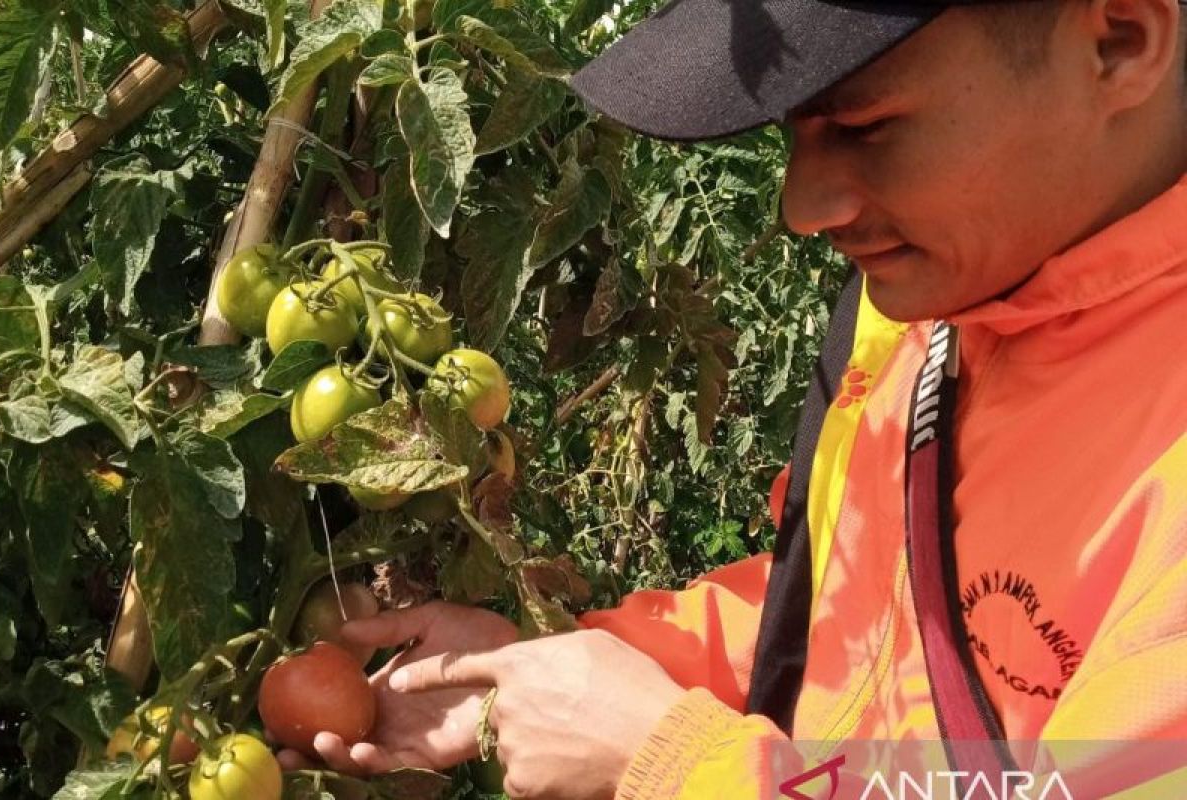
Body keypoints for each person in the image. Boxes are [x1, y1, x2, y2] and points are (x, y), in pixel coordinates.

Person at [279, 0, 1187, 796]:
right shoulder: (928, 308)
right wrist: (551, 664)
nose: (804, 205)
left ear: (1120, 39)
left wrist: (673, 762)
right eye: (792, 131)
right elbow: (849, 615)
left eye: (865, 126)